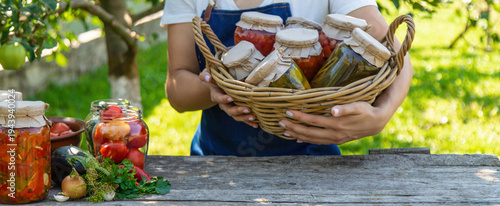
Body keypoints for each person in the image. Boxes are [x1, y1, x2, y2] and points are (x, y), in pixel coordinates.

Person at [161, 0, 413, 156]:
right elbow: (177, 85)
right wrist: (218, 87)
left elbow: (394, 52)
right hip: (217, 160)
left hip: (313, 160)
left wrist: (382, 113)